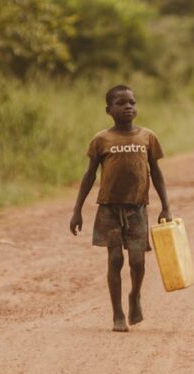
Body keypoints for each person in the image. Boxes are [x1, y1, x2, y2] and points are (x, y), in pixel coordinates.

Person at [70, 84, 171, 332]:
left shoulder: (147, 137)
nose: (128, 107)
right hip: (109, 209)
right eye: (122, 103)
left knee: (138, 263)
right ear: (109, 109)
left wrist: (166, 207)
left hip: (137, 208)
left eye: (132, 102)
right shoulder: (101, 140)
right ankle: (117, 313)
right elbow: (89, 175)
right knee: (114, 259)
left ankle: (135, 296)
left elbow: (156, 174)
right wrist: (77, 210)